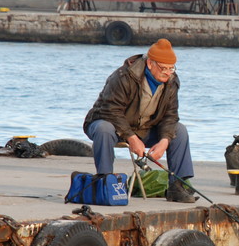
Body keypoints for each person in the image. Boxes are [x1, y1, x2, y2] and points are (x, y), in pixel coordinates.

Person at [83, 38, 196, 203]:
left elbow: (170, 115)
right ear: (150, 63)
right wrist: (131, 137)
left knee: (179, 130)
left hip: (144, 128)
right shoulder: (123, 76)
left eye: (171, 68)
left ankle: (178, 187)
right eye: (164, 68)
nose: (168, 72)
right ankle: (105, 181)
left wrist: (164, 141)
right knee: (104, 129)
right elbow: (111, 111)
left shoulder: (172, 81)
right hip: (107, 123)